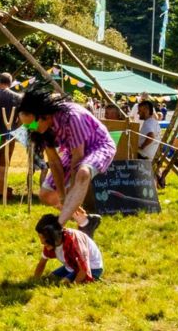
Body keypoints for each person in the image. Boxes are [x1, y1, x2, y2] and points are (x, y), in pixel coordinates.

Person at [18, 86, 112, 233]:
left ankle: (57, 227)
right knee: (46, 195)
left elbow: (78, 157)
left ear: (44, 115)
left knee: (83, 172)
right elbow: (54, 162)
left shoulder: (72, 117)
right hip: (73, 152)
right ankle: (86, 222)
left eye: (32, 124)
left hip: (98, 146)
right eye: (26, 126)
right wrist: (62, 196)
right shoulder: (42, 130)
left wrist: (72, 191)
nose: (30, 128)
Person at [33, 213, 100, 283]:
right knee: (50, 278)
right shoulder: (51, 243)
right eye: (40, 237)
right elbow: (42, 263)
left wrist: (74, 285)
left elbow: (84, 270)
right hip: (72, 265)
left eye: (43, 238)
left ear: (53, 235)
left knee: (64, 283)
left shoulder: (74, 242)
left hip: (92, 267)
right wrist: (35, 280)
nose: (42, 242)